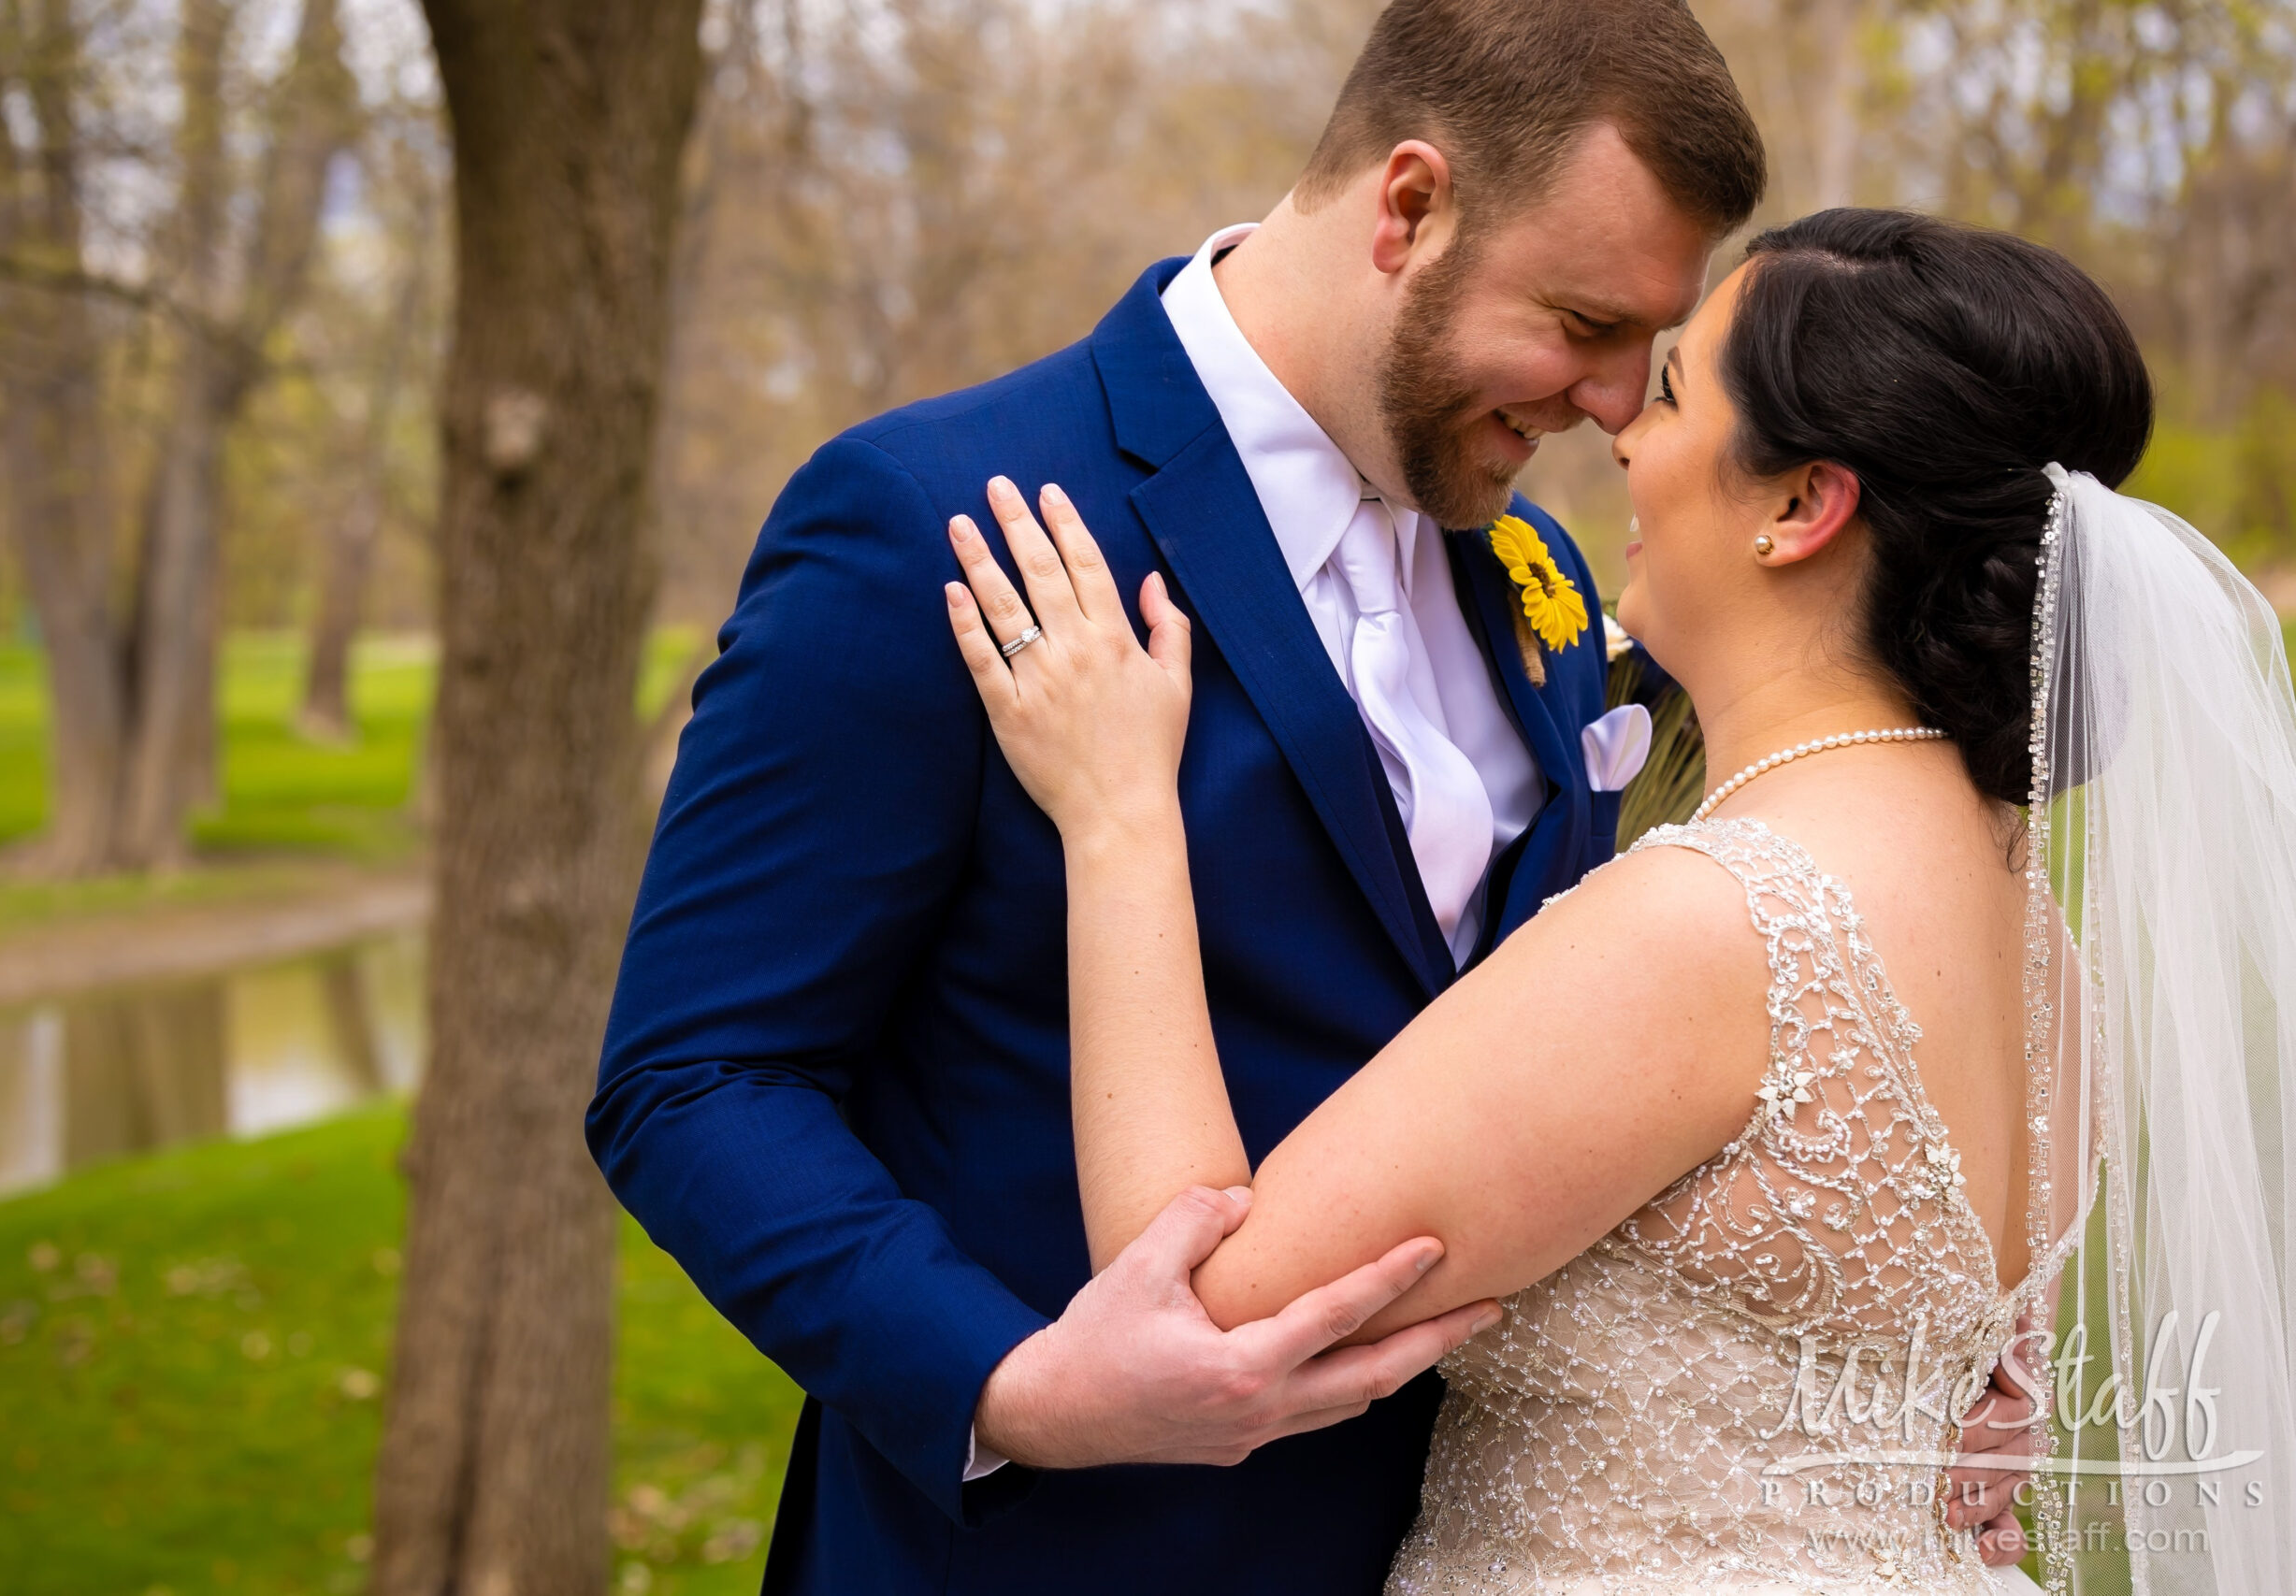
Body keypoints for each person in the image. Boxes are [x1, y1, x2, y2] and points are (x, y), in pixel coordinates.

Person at [587, 2, 2029, 1589]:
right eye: (1582, 322)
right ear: (1408, 207)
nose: (1617, 406)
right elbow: (696, 1075)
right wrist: (1013, 1387)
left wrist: (1873, 1363)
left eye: (1653, 350)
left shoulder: (1544, 577)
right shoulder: (942, 517)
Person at [941, 205, 2296, 1593]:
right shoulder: (2051, 942)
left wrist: (1117, 821)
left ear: (1800, 506)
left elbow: (1204, 1311)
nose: (1623, 436)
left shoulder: (1717, 925)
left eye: (1670, 393)